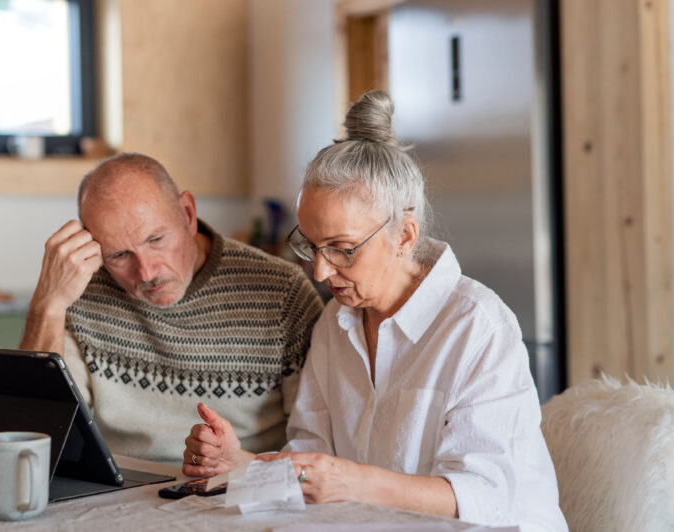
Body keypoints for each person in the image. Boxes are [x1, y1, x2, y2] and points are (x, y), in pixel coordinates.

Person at [182, 92, 567, 531]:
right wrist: (241, 462)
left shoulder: (477, 327)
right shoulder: (335, 323)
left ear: (404, 236)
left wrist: (353, 483)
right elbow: (312, 463)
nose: (321, 270)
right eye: (310, 244)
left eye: (342, 249)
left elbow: (488, 495)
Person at [20, 152, 323, 464]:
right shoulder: (80, 289)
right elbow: (34, 434)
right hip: (119, 493)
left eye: (156, 239)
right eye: (120, 255)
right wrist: (48, 305)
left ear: (188, 214)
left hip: (241, 490)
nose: (147, 273)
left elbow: (316, 447)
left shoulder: (283, 291)